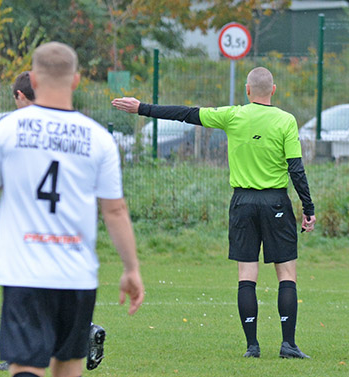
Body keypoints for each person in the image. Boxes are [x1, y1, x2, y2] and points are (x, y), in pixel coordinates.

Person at [0, 42, 144, 377]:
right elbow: (114, 210)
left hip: (24, 271)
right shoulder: (97, 137)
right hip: (75, 275)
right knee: (69, 376)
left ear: (31, 76)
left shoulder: (7, 129)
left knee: (24, 371)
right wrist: (131, 268)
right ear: (76, 79)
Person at [112, 67, 316, 359]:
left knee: (247, 274)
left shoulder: (233, 115)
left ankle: (252, 346)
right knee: (286, 274)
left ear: (247, 90)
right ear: (273, 90)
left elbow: (187, 113)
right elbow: (296, 168)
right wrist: (308, 209)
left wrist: (142, 108)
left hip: (242, 202)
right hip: (276, 204)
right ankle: (288, 345)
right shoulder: (286, 120)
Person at [0, 70, 108, 372]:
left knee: (27, 289)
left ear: (20, 96)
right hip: (66, 228)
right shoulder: (69, 129)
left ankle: (20, 357)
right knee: (54, 288)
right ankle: (85, 330)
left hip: (32, 228)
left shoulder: (21, 131)